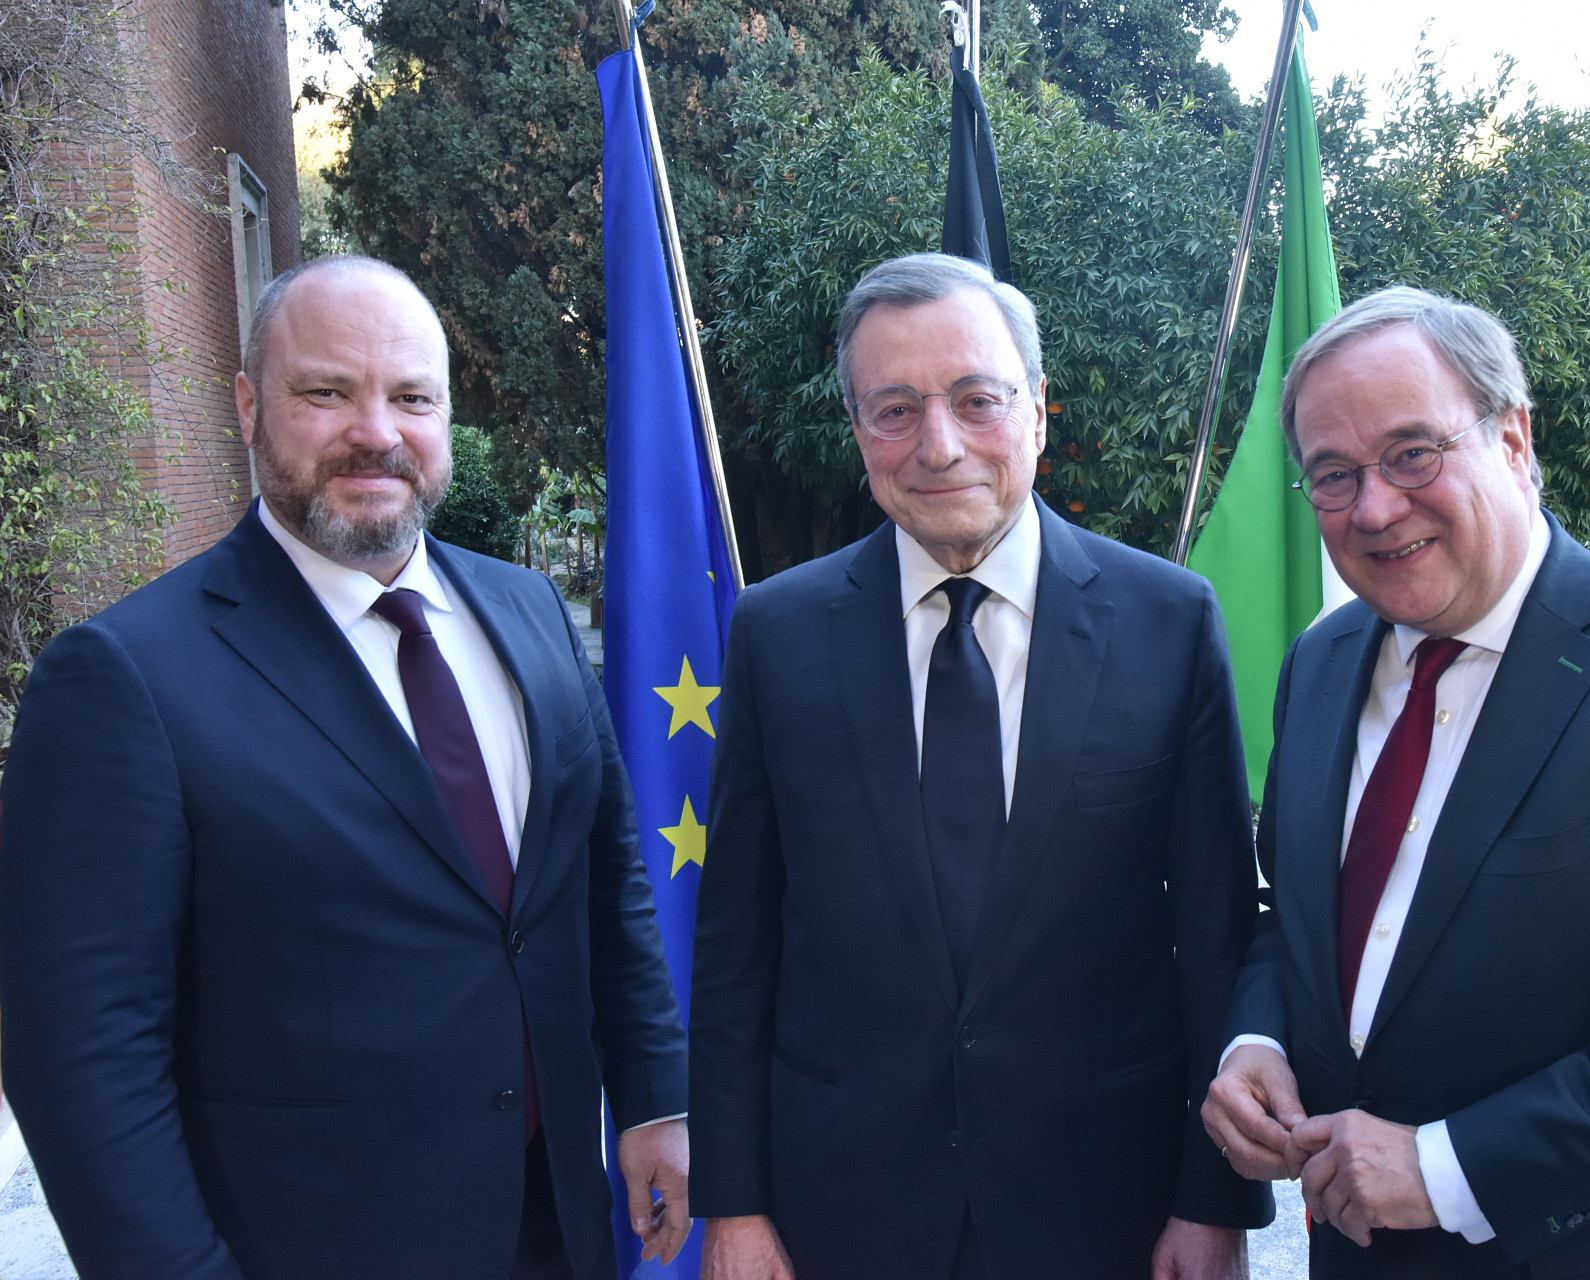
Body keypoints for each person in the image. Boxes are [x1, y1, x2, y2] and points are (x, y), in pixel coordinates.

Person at [0, 255, 691, 1280]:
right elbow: (83, 1059)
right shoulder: (125, 678)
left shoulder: (530, 611)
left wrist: (654, 1098)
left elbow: (608, 881)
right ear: (248, 406)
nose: (376, 430)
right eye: (326, 391)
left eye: (412, 396)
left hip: (559, 1225)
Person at [1201, 285, 1590, 1278]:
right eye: (1333, 474)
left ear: (1511, 438)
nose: (1374, 506)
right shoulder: (1322, 664)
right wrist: (1257, 1040)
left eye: (1413, 452)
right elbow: (1296, 918)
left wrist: (1446, 1167)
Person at [688, 253, 1273, 1280]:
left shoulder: (1168, 624)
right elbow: (737, 943)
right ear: (859, 429)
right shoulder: (777, 634)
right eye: (895, 409)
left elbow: (1216, 933)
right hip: (843, 1203)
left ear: (1039, 411)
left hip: (1107, 1204)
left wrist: (1213, 1200)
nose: (938, 444)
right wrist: (733, 1202)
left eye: (976, 399)